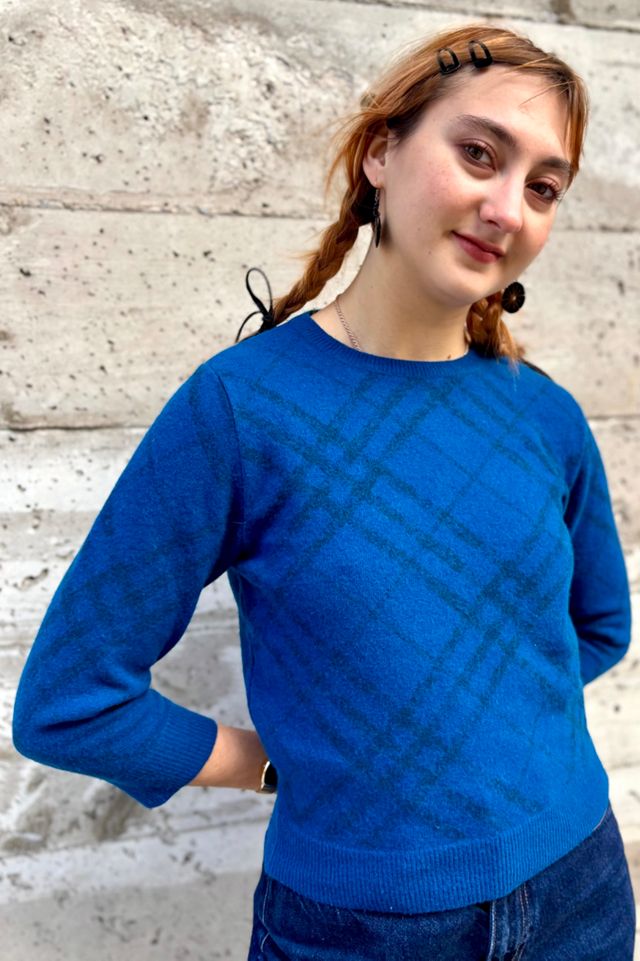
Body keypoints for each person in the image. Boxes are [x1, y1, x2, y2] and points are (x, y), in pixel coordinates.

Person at [12, 20, 635, 961]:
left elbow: (598, 626)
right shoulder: (239, 409)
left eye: (543, 186)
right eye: (478, 153)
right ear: (381, 151)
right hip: (357, 928)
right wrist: (276, 762)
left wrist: (478, 732)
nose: (508, 207)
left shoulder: (543, 413)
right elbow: (68, 698)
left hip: (581, 890)